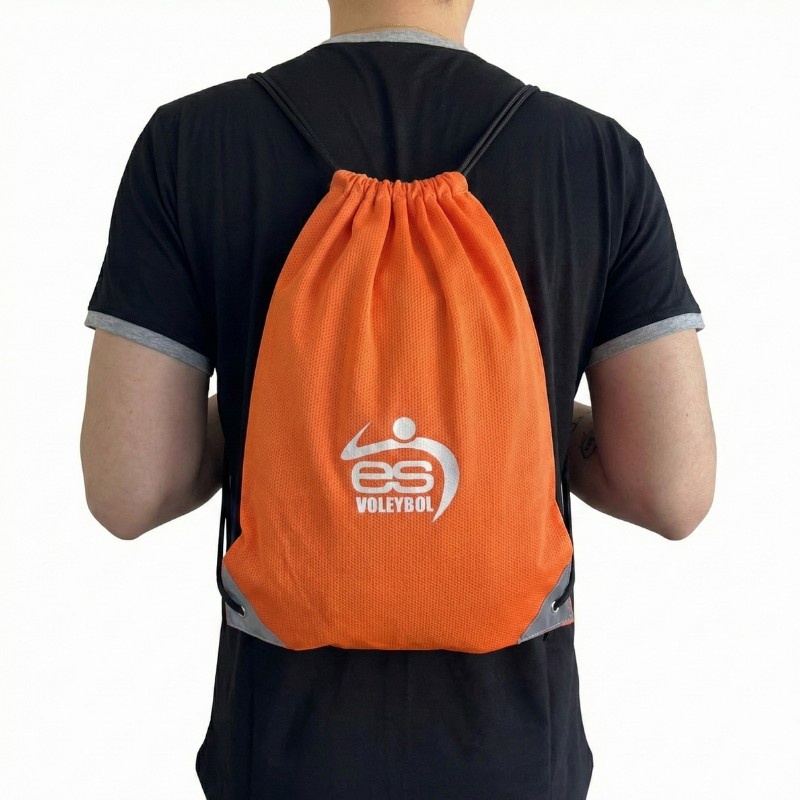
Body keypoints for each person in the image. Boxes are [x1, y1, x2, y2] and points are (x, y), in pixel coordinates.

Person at [80, 0, 717, 797]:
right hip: (518, 755)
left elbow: (131, 486)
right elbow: (670, 488)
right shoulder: (594, 157)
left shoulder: (190, 143)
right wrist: (512, 423)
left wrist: (284, 420)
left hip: (276, 758)